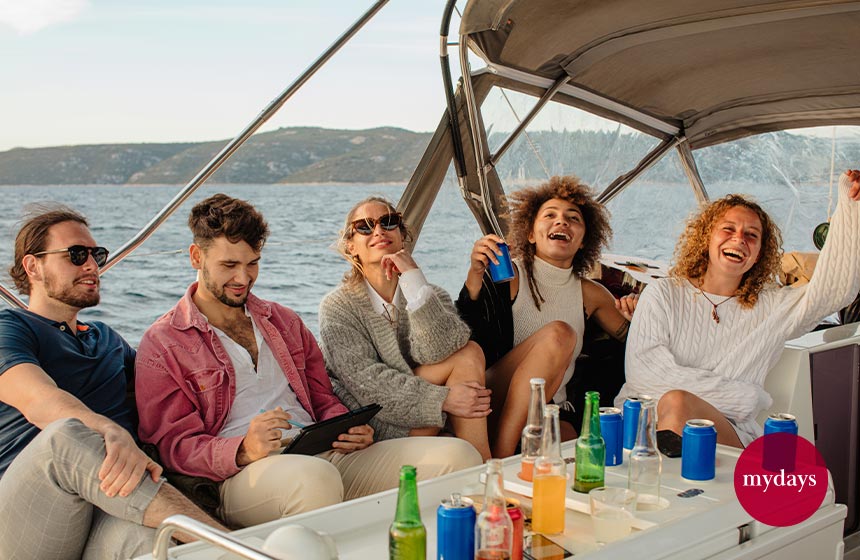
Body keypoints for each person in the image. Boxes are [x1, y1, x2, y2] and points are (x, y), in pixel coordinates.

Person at [135, 194, 481, 529]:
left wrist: (346, 427)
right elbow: (172, 445)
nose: (243, 279)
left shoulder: (283, 320)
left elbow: (321, 397)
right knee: (314, 479)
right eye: (229, 265)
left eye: (252, 263)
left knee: (458, 457)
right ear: (196, 256)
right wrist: (242, 449)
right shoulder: (163, 342)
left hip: (321, 451)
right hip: (243, 475)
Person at [0, 206, 224, 560]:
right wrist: (109, 430)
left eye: (96, 255)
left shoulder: (107, 340)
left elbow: (169, 398)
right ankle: (240, 546)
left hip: (103, 502)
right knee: (64, 436)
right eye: (76, 255)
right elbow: (39, 401)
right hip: (28, 512)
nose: (92, 266)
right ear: (33, 266)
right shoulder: (10, 328)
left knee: (152, 545)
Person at [616, 170, 860, 447]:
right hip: (642, 426)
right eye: (728, 229)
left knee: (678, 401)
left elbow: (838, 289)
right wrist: (745, 398)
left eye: (751, 235)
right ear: (706, 237)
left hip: (726, 432)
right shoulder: (663, 294)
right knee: (675, 403)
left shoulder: (771, 307)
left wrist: (851, 204)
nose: (739, 239)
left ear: (759, 255)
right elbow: (644, 375)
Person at [457, 176, 637, 457]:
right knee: (560, 335)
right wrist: (475, 276)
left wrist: (637, 312)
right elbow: (468, 332)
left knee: (572, 445)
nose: (561, 222)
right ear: (530, 233)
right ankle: (502, 457)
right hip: (496, 397)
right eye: (550, 215)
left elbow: (636, 340)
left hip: (550, 411)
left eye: (573, 218)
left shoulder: (591, 294)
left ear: (582, 241)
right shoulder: (511, 276)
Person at [318, 196, 493, 460]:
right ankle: (485, 467)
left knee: (469, 353)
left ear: (402, 235)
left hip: (423, 408)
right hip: (377, 421)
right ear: (351, 246)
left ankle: (483, 462)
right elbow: (367, 383)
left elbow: (441, 352)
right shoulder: (337, 306)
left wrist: (414, 282)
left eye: (388, 222)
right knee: (469, 356)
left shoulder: (432, 294)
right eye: (364, 227)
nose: (378, 231)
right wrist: (442, 399)